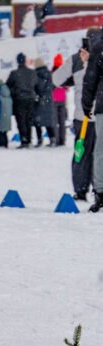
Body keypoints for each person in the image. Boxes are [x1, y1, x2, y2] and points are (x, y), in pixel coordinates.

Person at [55, 32, 97, 200]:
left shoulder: (75, 59)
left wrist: (74, 80)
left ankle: (81, 189)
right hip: (100, 114)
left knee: (82, 154)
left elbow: (57, 79)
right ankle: (99, 190)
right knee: (99, 153)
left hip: (83, 116)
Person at [82, 29, 103, 212]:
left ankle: (101, 193)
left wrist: (87, 104)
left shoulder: (99, 47)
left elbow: (91, 78)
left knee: (100, 151)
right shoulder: (99, 47)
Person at [6, 53, 37, 148]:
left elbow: (8, 85)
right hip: (30, 98)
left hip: (19, 99)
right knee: (28, 120)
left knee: (21, 120)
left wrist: (14, 92)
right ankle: (29, 139)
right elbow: (36, 84)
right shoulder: (32, 72)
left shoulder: (14, 73)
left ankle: (24, 140)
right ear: (25, 60)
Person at [33, 57, 56, 147]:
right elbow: (53, 86)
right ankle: (52, 139)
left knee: (37, 122)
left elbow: (36, 87)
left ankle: (39, 140)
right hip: (48, 100)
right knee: (48, 121)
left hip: (39, 100)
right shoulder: (49, 74)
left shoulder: (35, 75)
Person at [51, 54, 68, 147]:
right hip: (62, 99)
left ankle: (56, 139)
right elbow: (66, 88)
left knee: (55, 121)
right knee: (62, 121)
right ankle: (62, 140)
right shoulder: (64, 73)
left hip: (54, 99)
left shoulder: (51, 73)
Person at [0, 80, 13, 148]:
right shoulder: (9, 97)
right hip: (7, 118)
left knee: (0, 132)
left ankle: (2, 144)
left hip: (1, 117)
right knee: (4, 132)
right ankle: (5, 143)